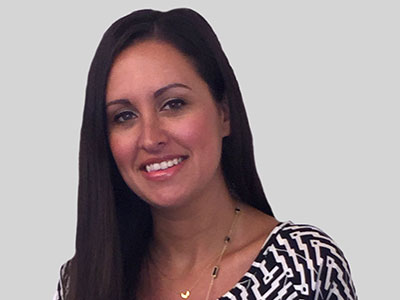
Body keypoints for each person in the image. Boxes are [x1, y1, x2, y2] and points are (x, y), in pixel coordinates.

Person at [54, 8, 357, 300]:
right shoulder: (81, 280)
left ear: (224, 114)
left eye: (173, 104)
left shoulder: (304, 266)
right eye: (124, 116)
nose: (150, 138)